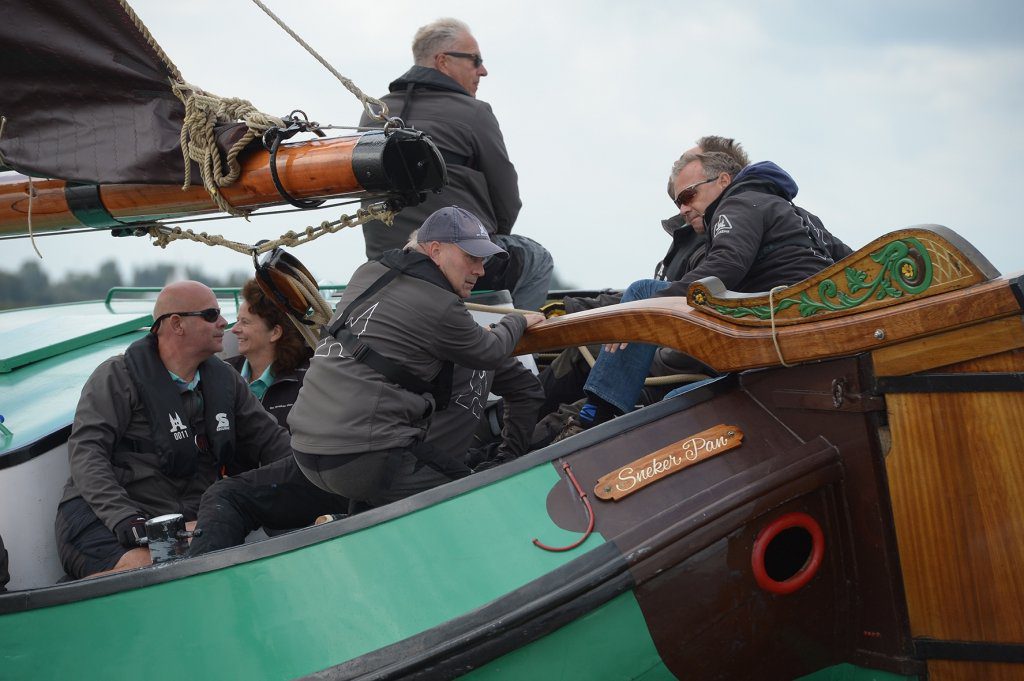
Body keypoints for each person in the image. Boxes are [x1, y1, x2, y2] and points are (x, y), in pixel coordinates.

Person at [188, 206, 544, 555]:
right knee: (481, 503)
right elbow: (492, 353)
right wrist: (518, 321)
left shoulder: (369, 272)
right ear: (436, 251)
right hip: (365, 458)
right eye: (472, 258)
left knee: (235, 495)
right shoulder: (443, 308)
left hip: (309, 453)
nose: (481, 270)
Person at [561, 150, 853, 436]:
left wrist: (645, 311)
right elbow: (854, 264)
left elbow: (726, 264)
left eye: (688, 196)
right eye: (678, 202)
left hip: (774, 341)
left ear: (724, 181)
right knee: (675, 400)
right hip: (803, 335)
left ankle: (597, 415)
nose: (683, 209)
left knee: (642, 292)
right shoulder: (803, 216)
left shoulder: (738, 203)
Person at [53, 281, 293, 579]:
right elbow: (87, 454)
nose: (224, 323)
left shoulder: (226, 382)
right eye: (210, 314)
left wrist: (322, 479)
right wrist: (125, 518)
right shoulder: (116, 377)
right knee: (142, 571)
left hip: (182, 519)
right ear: (176, 324)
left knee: (210, 567)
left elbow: (274, 444)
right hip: (102, 516)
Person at [537, 137, 750, 417]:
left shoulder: (715, 238)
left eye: (688, 189)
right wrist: (572, 307)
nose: (678, 168)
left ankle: (507, 437)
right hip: (663, 348)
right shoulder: (694, 234)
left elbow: (676, 299)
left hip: (676, 362)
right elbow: (649, 295)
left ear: (721, 178)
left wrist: (622, 321)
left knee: (581, 364)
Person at [358, 18, 553, 311]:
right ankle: (511, 351)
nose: (483, 70)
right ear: (443, 61)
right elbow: (507, 200)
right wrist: (480, 246)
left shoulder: (373, 114)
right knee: (538, 258)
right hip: (448, 259)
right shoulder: (475, 114)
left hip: (386, 262)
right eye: (475, 60)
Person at [227, 279, 312, 429]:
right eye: (237, 320)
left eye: (245, 322)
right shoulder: (224, 373)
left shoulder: (308, 381)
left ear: (275, 332)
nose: (234, 329)